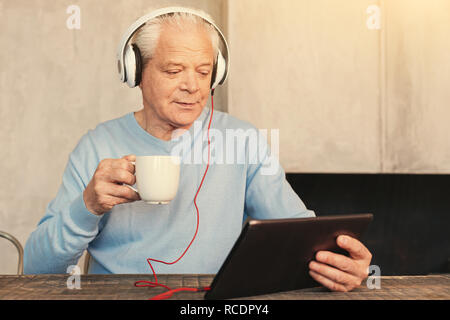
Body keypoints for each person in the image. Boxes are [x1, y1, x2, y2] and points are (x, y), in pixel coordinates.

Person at [24, 7, 372, 293]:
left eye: (203, 71)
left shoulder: (243, 140)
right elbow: (36, 269)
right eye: (174, 70)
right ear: (136, 72)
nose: (192, 86)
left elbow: (297, 230)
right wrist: (87, 207)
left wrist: (339, 260)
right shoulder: (97, 145)